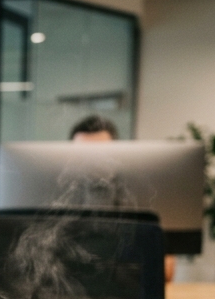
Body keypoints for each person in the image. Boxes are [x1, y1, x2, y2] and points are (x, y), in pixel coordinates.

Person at [68, 114, 176, 282]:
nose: (92, 160)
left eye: (101, 153)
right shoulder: (55, 200)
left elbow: (166, 271)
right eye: (83, 153)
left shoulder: (139, 197)